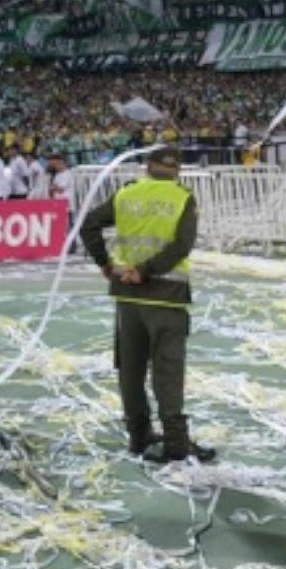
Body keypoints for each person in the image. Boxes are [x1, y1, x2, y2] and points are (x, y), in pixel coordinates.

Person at [79, 147, 215, 463]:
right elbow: (182, 245)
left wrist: (105, 262)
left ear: (147, 167)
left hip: (127, 297)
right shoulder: (182, 198)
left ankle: (139, 437)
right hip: (166, 295)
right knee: (167, 371)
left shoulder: (126, 194)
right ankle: (175, 444)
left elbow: (88, 225)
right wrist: (146, 270)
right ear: (177, 171)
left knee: (131, 369)